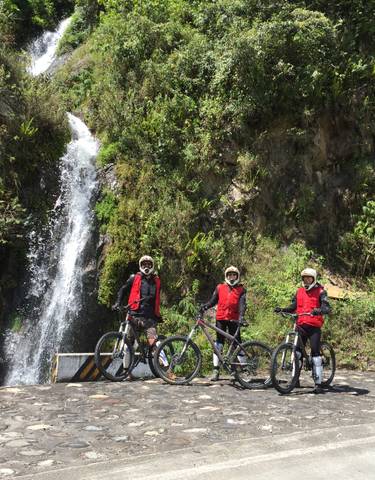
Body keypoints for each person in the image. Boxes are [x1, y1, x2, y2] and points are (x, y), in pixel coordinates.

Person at [274, 267, 331, 394]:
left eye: (309, 278)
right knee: (297, 353)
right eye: (304, 278)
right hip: (301, 325)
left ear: (314, 279)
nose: (306, 280)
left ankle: (318, 383)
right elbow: (293, 306)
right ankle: (295, 379)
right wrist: (283, 309)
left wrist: (319, 310)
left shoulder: (321, 291)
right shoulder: (299, 291)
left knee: (316, 354)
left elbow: (326, 307)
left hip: (314, 327)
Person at [201, 266, 247, 381]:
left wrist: (241, 316)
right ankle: (216, 370)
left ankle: (245, 369)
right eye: (230, 275)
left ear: (237, 276)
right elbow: (213, 301)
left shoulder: (241, 290)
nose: (232, 277)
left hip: (234, 320)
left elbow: (242, 305)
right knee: (219, 344)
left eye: (234, 275)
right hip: (220, 319)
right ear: (226, 276)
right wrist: (205, 306)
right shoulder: (220, 287)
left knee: (237, 344)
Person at [112, 255, 161, 348]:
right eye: (144, 265)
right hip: (135, 315)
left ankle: (164, 363)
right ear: (140, 266)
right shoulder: (134, 278)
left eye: (149, 265)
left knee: (154, 343)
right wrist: (118, 303)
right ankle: (128, 361)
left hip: (149, 318)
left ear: (152, 266)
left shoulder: (157, 281)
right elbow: (123, 290)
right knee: (129, 343)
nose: (146, 267)